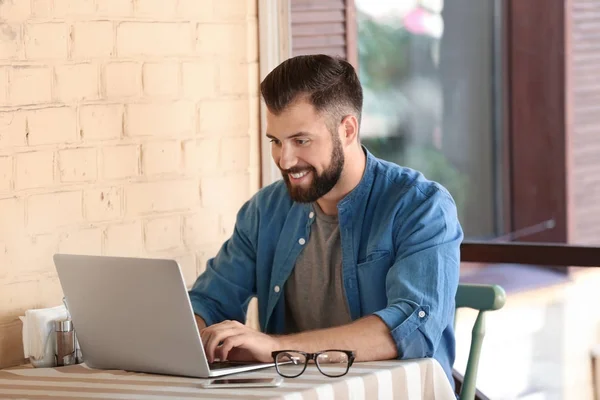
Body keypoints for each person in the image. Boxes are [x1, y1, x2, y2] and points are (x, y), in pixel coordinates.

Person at [188, 54, 463, 386]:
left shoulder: (420, 206)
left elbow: (409, 329)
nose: (285, 159)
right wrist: (192, 329)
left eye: (301, 140)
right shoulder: (265, 210)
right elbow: (210, 299)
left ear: (347, 130)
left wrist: (277, 348)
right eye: (275, 141)